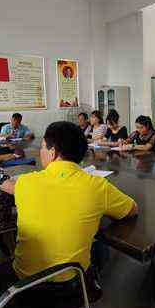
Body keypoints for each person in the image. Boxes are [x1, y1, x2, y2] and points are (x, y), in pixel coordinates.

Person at [13, 121, 138, 285]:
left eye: (42, 148)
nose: (40, 152)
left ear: (52, 152)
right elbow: (132, 209)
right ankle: (95, 283)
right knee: (99, 244)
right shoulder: (96, 186)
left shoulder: (24, 182)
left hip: (22, 281)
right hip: (67, 283)